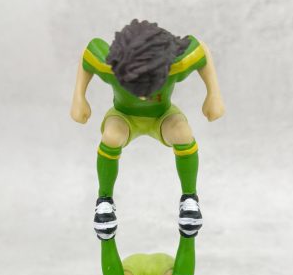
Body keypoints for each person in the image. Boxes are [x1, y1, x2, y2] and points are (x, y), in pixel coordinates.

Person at [70, 19, 224, 241]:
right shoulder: (110, 65)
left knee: (183, 133)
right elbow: (88, 52)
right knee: (111, 137)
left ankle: (190, 198)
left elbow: (201, 49)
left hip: (162, 116)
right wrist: (79, 97)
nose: (143, 96)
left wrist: (213, 93)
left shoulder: (175, 64)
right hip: (124, 117)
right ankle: (104, 200)